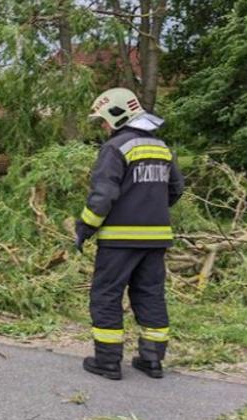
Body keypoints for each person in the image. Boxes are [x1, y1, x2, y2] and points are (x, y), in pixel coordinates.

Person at [74, 88, 184, 380]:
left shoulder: (116, 148)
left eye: (103, 120)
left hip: (119, 241)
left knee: (107, 295)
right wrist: (150, 209)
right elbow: (175, 190)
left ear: (116, 114)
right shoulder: (162, 147)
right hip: (156, 240)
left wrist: (84, 228)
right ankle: (152, 360)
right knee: (150, 296)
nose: (103, 127)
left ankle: (108, 362)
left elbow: (103, 196)